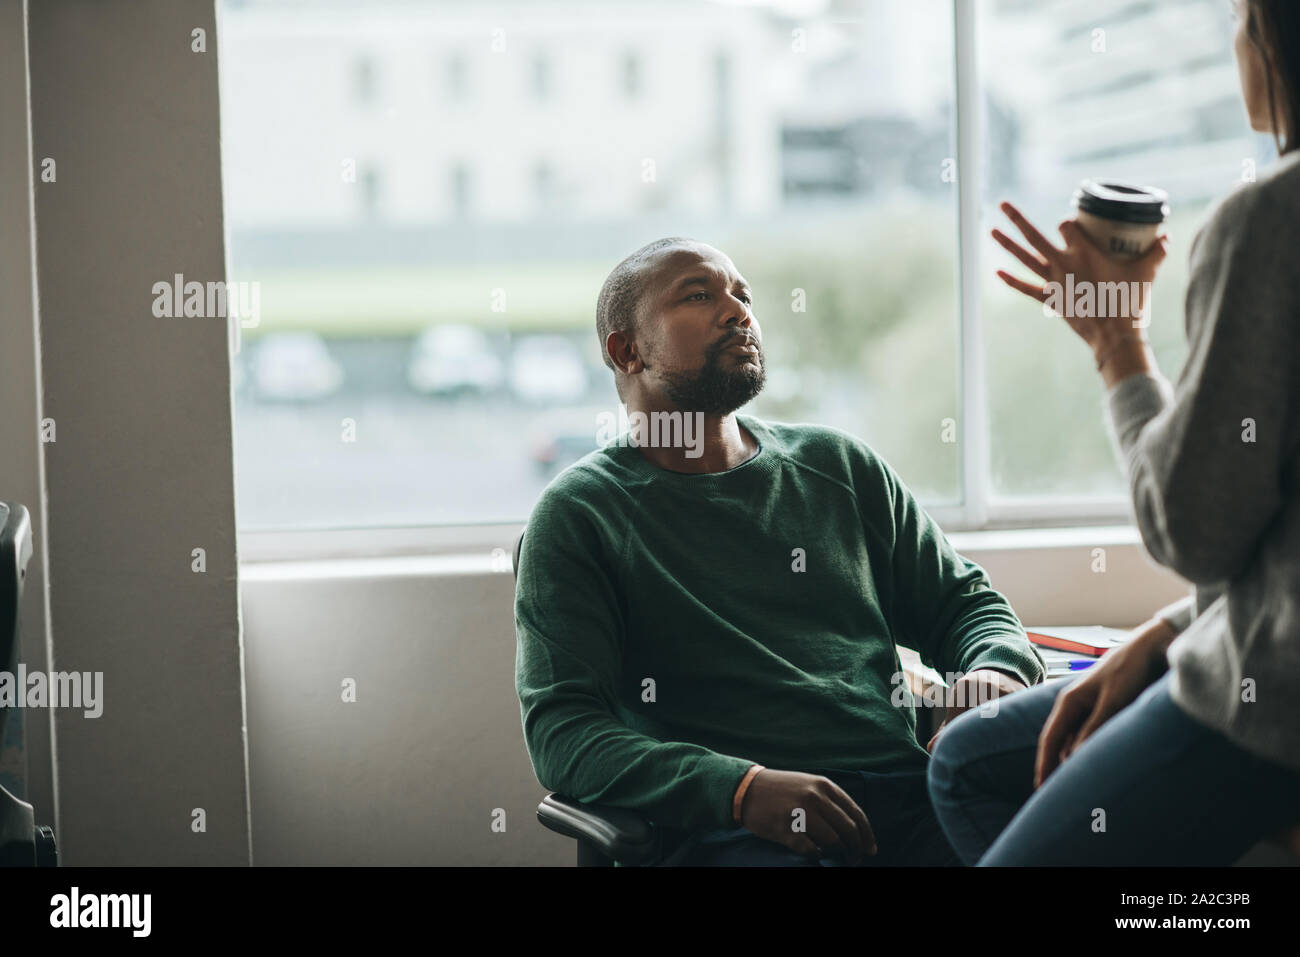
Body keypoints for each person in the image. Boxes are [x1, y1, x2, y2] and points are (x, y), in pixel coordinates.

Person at [514, 237, 1045, 866]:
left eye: (742, 294)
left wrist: (995, 669)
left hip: (913, 800)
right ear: (625, 349)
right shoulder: (581, 514)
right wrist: (739, 790)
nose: (737, 311)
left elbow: (965, 604)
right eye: (698, 295)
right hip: (735, 832)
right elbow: (564, 733)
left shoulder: (838, 465)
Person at [927, 0, 1300, 865]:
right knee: (968, 758)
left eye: (1244, 20)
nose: (1237, 43)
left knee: (974, 779)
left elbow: (1195, 529)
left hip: (1270, 708)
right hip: (1234, 643)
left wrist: (1116, 339)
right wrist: (1172, 630)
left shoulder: (1268, 222)